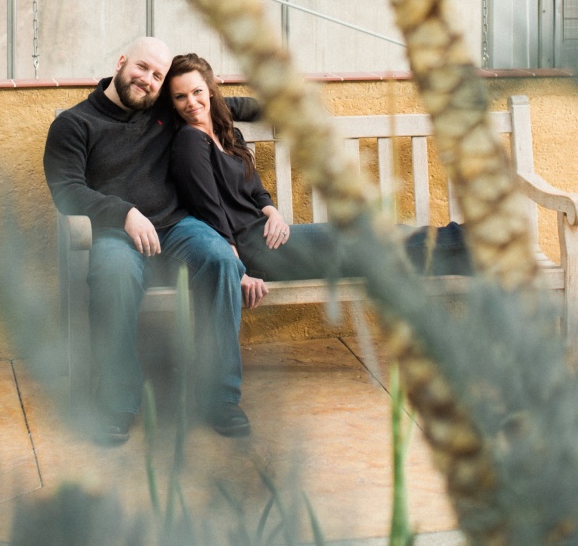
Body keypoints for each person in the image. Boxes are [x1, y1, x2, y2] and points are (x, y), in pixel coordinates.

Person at [43, 37, 260, 444]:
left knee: (221, 260)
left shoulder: (161, 108)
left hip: (178, 227)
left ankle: (220, 397)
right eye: (142, 68)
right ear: (121, 61)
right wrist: (122, 213)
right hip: (115, 235)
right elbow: (66, 189)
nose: (148, 80)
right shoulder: (74, 125)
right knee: (113, 273)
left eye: (158, 76)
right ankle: (118, 400)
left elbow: (222, 104)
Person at [166, 53, 472, 304]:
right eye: (180, 97)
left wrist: (272, 212)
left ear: (210, 90)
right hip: (252, 252)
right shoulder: (190, 142)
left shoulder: (227, 132)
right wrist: (237, 272)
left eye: (197, 92)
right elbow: (209, 213)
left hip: (268, 235)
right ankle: (466, 243)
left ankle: (461, 251)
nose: (191, 103)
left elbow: (255, 189)